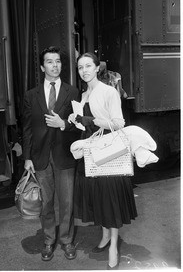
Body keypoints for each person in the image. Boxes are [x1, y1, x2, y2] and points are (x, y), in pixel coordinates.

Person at [69, 52, 137, 270]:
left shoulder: (108, 91)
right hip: (90, 151)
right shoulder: (82, 95)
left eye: (89, 66)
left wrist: (91, 119)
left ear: (97, 68)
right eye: (80, 67)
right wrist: (76, 120)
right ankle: (106, 234)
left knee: (110, 199)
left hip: (107, 153)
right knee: (98, 196)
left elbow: (118, 123)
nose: (84, 70)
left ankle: (113, 245)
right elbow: (85, 124)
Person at [22, 46, 80, 261]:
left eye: (57, 61)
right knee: (46, 204)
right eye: (49, 61)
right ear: (42, 66)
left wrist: (63, 123)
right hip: (41, 157)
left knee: (66, 203)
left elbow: (78, 125)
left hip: (64, 155)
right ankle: (48, 241)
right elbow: (26, 128)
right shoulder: (31, 95)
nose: (55, 65)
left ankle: (66, 240)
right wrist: (27, 157)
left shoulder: (72, 92)